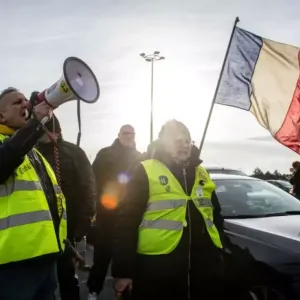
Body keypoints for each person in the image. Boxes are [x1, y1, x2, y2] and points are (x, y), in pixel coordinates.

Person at [112, 120, 225, 300]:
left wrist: (218, 254)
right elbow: (126, 223)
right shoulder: (145, 170)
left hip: (204, 270)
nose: (184, 144)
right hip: (157, 270)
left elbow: (215, 216)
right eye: (177, 140)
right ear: (164, 143)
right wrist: (123, 272)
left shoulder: (202, 173)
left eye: (187, 140)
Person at [0, 87, 67, 300]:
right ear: (1, 115)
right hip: (12, 264)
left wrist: (63, 244)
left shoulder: (32, 151)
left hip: (46, 257)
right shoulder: (14, 146)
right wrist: (34, 125)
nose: (25, 105)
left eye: (25, 101)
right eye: (16, 102)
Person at [34, 103, 96, 300]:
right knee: (42, 281)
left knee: (66, 276)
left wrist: (85, 221)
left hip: (67, 228)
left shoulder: (73, 153)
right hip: (38, 228)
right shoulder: (31, 153)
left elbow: (89, 186)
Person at [87, 124, 142, 299]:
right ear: (119, 134)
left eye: (132, 134)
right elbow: (92, 180)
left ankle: (126, 293)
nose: (129, 136)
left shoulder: (140, 158)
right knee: (101, 259)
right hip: (107, 217)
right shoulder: (105, 154)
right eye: (125, 133)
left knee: (129, 260)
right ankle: (93, 292)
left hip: (131, 218)